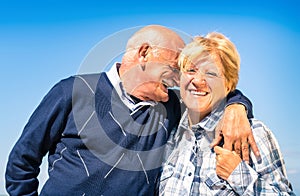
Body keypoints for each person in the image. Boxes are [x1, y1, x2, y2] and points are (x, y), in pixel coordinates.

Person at [6, 25, 257, 195]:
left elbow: (217, 92)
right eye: (175, 67)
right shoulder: (71, 91)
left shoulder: (173, 107)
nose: (180, 78)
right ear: (145, 53)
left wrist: (237, 107)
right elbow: (21, 162)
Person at [158, 32, 294, 195]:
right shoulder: (171, 132)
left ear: (229, 85)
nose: (198, 81)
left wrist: (238, 174)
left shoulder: (252, 134)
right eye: (191, 70)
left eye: (211, 73)